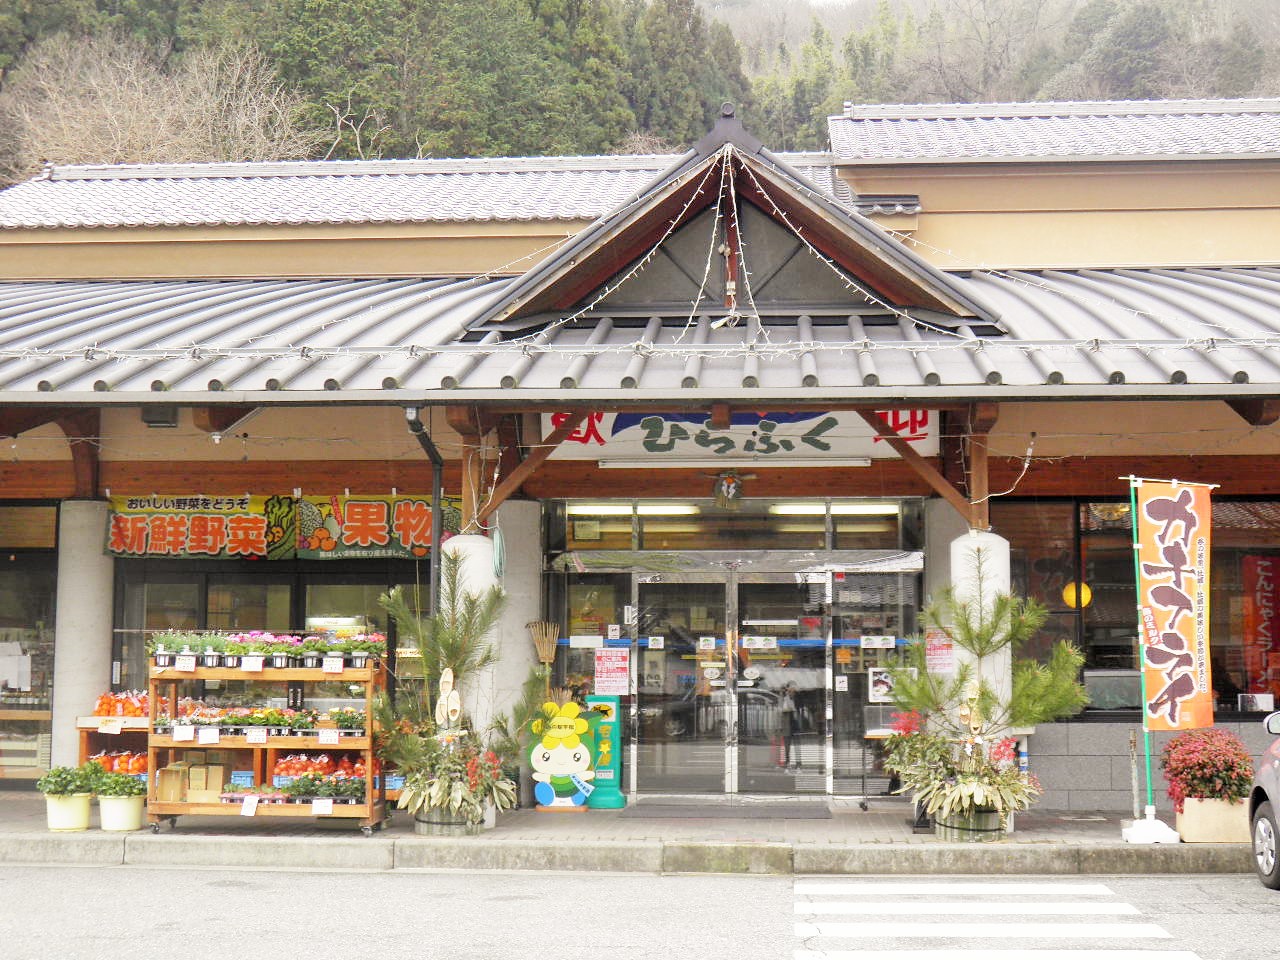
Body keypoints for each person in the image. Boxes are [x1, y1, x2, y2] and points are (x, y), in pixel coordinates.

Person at [780, 683, 799, 770]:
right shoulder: (785, 699)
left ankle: (797, 764)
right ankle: (788, 763)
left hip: (793, 726)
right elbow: (783, 709)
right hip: (787, 726)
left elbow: (793, 710)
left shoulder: (793, 700)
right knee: (787, 746)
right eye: (791, 691)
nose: (793, 693)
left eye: (793, 691)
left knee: (796, 746)